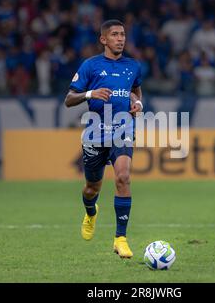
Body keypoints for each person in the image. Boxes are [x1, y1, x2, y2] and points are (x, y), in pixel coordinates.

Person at [64, 19, 143, 258]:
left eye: (123, 35)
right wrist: (90, 93)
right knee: (91, 188)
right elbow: (69, 99)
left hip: (122, 130)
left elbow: (136, 89)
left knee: (123, 177)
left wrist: (137, 102)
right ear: (103, 39)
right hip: (95, 133)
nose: (120, 39)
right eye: (115, 35)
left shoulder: (133, 66)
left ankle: (120, 238)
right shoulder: (90, 66)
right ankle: (90, 212)